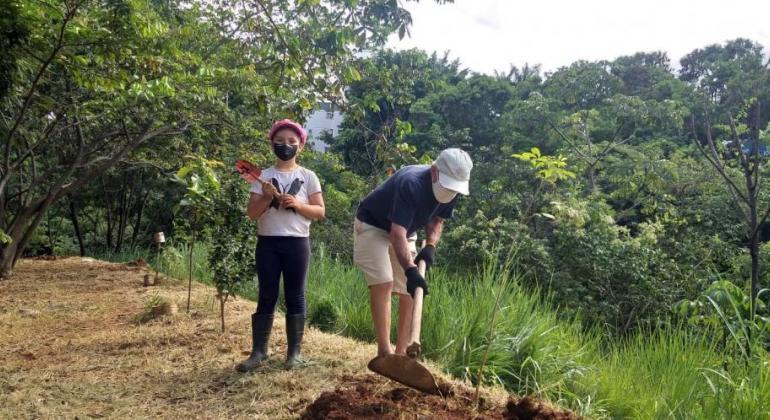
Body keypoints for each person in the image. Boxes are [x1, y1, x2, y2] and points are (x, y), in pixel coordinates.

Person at [353, 148, 472, 357]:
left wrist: (430, 247)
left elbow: (437, 219)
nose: (449, 191)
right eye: (446, 185)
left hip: (406, 228)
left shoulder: (454, 190)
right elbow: (396, 233)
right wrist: (410, 269)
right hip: (373, 223)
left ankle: (401, 355)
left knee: (411, 290)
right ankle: (384, 353)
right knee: (384, 282)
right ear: (434, 171)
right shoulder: (412, 183)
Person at [236, 119, 325, 372]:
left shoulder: (308, 177)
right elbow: (252, 214)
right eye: (280, 141)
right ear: (272, 144)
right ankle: (259, 351)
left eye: (291, 142)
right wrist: (266, 197)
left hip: (297, 244)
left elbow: (319, 212)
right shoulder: (263, 177)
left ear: (300, 146)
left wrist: (297, 204)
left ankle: (294, 354)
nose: (285, 146)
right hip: (268, 243)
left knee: (296, 295)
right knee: (266, 295)